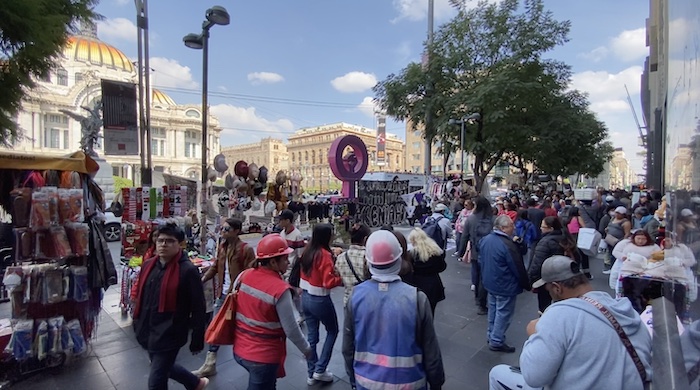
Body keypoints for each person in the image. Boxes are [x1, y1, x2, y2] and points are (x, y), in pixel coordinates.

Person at [489, 255, 652, 390]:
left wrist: (535, 334)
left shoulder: (560, 314)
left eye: (548, 290)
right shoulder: (623, 307)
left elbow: (533, 376)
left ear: (557, 288)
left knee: (498, 373)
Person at [342, 230, 445, 390]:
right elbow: (431, 350)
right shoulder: (417, 298)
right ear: (399, 259)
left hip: (366, 382)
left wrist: (353, 379)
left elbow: (348, 348)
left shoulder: (355, 296)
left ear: (368, 262)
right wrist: (436, 382)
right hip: (410, 383)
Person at [132, 223, 208, 390]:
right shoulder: (148, 265)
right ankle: (195, 383)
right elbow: (142, 298)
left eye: (169, 241)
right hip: (148, 328)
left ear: (180, 244)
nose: (163, 244)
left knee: (156, 380)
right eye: (160, 240)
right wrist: (137, 321)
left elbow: (198, 307)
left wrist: (197, 337)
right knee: (164, 366)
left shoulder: (187, 270)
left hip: (171, 333)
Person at [233, 233, 313, 389]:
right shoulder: (280, 290)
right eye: (284, 258)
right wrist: (307, 349)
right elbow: (291, 329)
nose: (288, 262)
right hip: (262, 358)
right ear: (273, 262)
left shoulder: (244, 275)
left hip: (239, 349)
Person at [194, 218, 256, 378]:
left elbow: (251, 273)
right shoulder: (222, 247)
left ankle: (255, 363)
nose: (223, 231)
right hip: (222, 296)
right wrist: (202, 280)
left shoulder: (246, 249)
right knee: (215, 327)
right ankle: (210, 363)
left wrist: (241, 291)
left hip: (238, 297)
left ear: (236, 231)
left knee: (244, 330)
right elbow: (215, 267)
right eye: (222, 228)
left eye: (227, 229)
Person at [299, 223, 343, 385]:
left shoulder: (308, 251)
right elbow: (328, 282)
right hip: (320, 299)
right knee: (332, 331)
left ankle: (311, 373)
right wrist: (341, 278)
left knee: (312, 337)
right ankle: (320, 369)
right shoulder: (324, 255)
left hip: (306, 297)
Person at [479, 215, 530, 353]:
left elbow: (480, 259)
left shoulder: (486, 239)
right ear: (503, 228)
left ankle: (491, 335)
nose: (513, 228)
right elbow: (517, 267)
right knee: (503, 313)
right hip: (505, 284)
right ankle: (496, 340)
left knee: (494, 310)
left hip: (490, 282)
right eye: (511, 225)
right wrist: (526, 284)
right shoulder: (507, 245)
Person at [528, 216, 578, 314]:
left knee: (544, 308)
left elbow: (537, 264)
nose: (541, 229)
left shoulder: (545, 242)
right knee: (563, 307)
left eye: (543, 227)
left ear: (551, 229)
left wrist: (530, 280)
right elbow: (577, 258)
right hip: (566, 278)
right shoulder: (567, 238)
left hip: (547, 280)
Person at [461, 196, 495, 315]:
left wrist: (461, 252)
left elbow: (464, 236)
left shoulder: (471, 219)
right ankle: (482, 302)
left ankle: (478, 297)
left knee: (476, 274)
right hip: (489, 252)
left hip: (475, 250)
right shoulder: (492, 218)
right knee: (483, 277)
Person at [408, 228, 447, 315]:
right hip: (433, 284)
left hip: (417, 285)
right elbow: (442, 267)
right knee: (430, 312)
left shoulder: (412, 254)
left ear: (413, 240)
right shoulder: (435, 251)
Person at [334, 223, 371, 306]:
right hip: (365, 301)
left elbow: (339, 278)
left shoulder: (341, 257)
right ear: (365, 239)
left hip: (348, 301)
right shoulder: (368, 257)